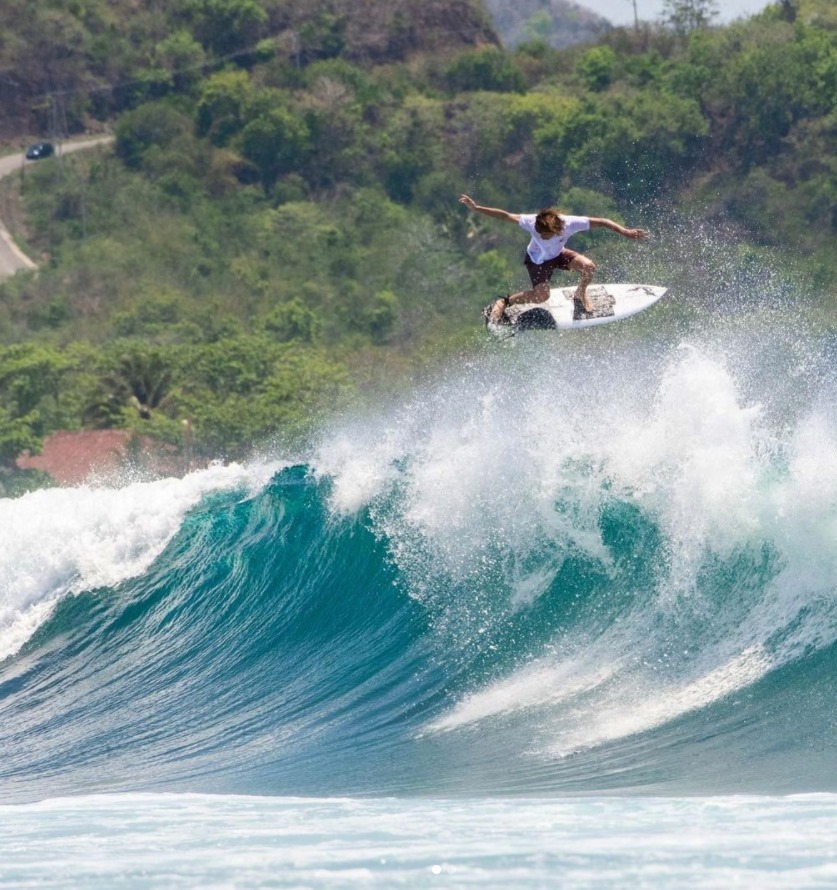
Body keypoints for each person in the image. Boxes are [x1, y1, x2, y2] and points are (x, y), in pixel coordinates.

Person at [458, 194, 648, 324]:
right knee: (542, 296)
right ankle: (505, 302)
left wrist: (625, 231)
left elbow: (603, 222)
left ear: (557, 229)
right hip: (537, 261)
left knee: (589, 267)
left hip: (558, 255)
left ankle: (580, 293)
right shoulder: (532, 222)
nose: (541, 237)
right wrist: (476, 208)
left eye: (545, 235)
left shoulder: (570, 223)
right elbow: (505, 215)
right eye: (539, 234)